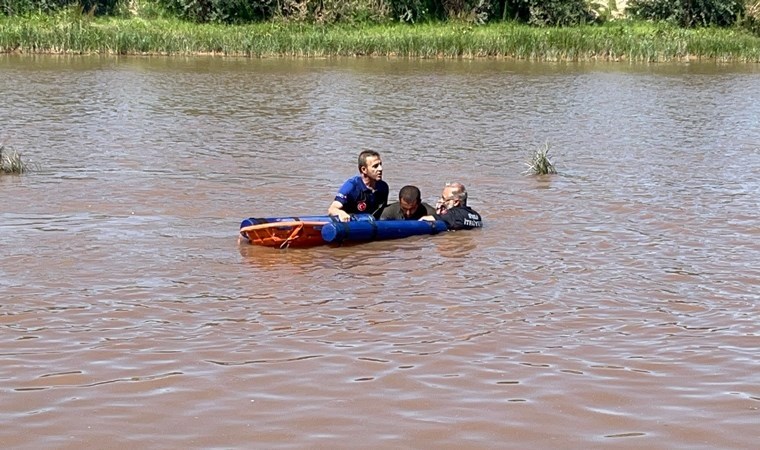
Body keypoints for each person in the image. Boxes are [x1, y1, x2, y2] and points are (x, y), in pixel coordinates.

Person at [328, 150, 389, 222]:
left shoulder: (383, 187)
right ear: (364, 169)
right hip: (352, 225)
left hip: (372, 223)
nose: (380, 169)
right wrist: (340, 213)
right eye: (375, 166)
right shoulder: (351, 187)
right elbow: (332, 209)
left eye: (380, 164)